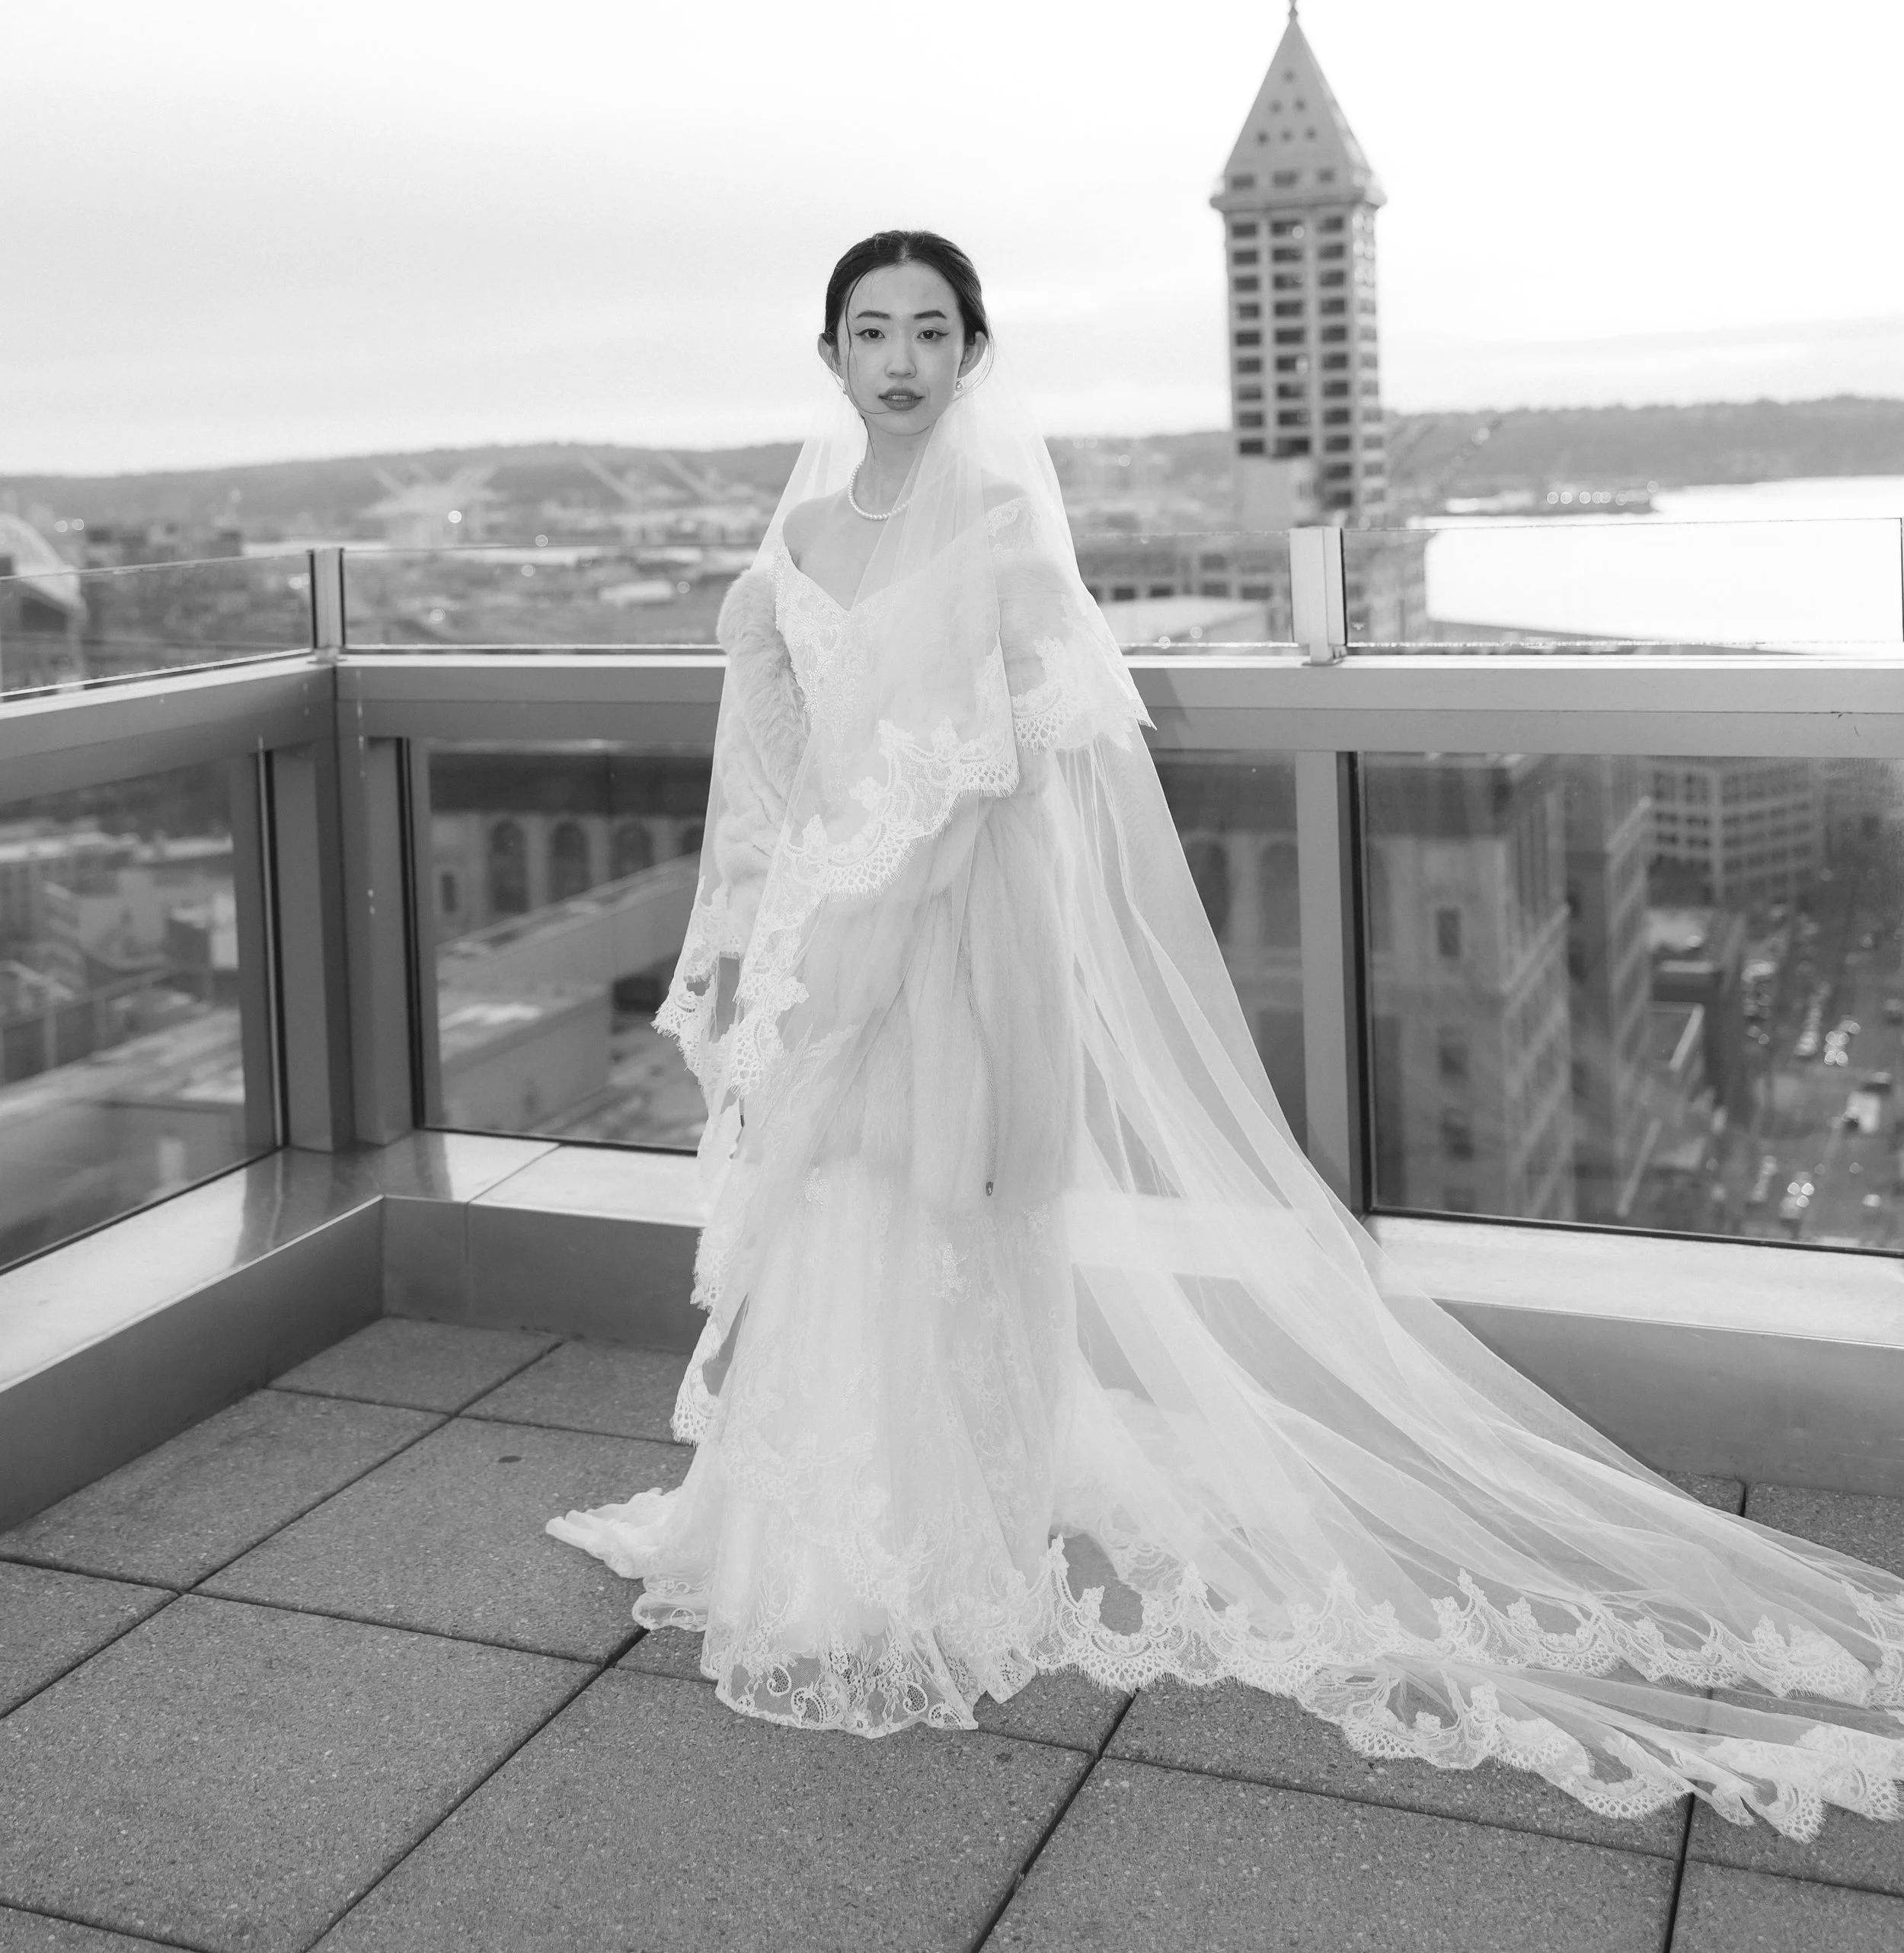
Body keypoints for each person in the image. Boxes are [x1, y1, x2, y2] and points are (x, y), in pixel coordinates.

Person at [551, 229, 1904, 1838]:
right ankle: (812, 1525)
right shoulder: (791, 538)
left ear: (971, 353)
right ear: (830, 356)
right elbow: (774, 768)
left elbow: (1026, 764)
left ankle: (933, 1526)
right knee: (836, 1212)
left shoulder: (1001, 534)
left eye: (928, 329)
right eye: (870, 330)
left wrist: (879, 898)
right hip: (829, 927)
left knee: (942, 1208)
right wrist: (783, 931)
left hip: (955, 929)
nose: (899, 359)